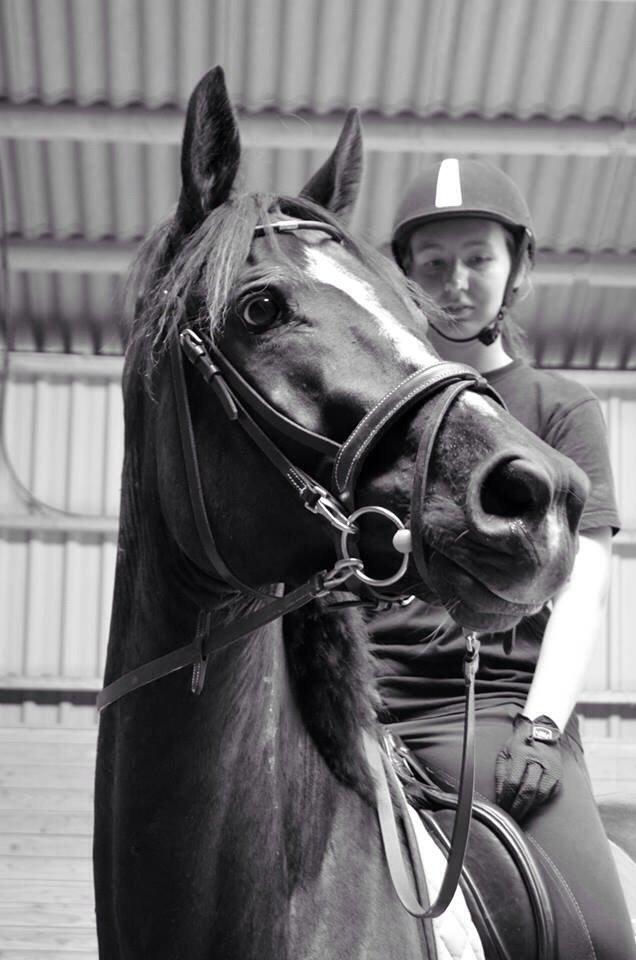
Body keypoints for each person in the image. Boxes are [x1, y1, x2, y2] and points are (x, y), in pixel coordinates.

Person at [369, 157, 636, 958]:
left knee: (602, 942)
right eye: (433, 263)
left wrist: (543, 725)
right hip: (358, 702)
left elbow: (584, 584)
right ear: (405, 275)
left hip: (491, 710)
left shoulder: (561, 409)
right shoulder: (369, 409)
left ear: (517, 267)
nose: (455, 284)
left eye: (477, 259)